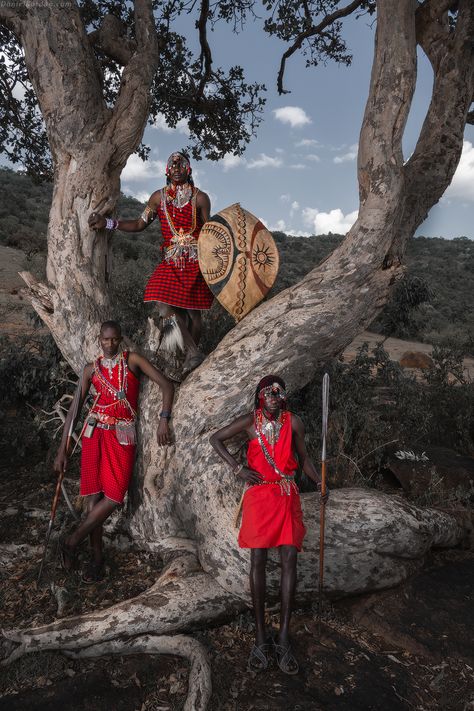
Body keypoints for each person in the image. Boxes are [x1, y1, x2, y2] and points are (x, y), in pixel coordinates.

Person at [210, 375, 327, 675]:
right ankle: (261, 637)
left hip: (287, 494)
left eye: (279, 392)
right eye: (268, 392)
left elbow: (305, 459)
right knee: (258, 561)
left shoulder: (295, 423)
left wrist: (318, 480)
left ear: (284, 397)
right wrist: (238, 469)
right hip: (260, 497)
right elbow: (216, 439)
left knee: (290, 560)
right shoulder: (250, 422)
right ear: (260, 397)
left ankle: (284, 636)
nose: (274, 395)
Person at [53, 320, 174, 583]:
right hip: (95, 434)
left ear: (121, 340)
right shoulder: (90, 370)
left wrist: (164, 418)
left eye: (115, 340)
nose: (110, 345)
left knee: (115, 495)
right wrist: (62, 450)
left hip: (122, 434)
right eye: (106, 340)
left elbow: (167, 385)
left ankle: (71, 541)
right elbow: (74, 412)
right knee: (94, 498)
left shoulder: (133, 361)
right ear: (99, 339)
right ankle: (96, 561)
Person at [88, 152, 213, 376]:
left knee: (193, 314)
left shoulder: (201, 198)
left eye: (181, 164)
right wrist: (106, 222)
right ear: (166, 170)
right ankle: (193, 353)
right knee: (162, 301)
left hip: (195, 261)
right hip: (171, 261)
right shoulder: (158, 198)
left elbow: (211, 232)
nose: (176, 168)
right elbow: (138, 224)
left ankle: (187, 363)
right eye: (172, 164)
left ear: (189, 169)